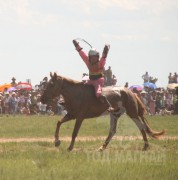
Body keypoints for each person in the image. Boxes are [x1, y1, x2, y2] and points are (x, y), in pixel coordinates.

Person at [73, 39, 115, 112]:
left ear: (97, 57)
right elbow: (82, 53)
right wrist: (77, 45)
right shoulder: (87, 61)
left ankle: (108, 106)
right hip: (90, 80)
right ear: (89, 57)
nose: (93, 58)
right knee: (80, 87)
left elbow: (103, 57)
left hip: (98, 81)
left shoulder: (100, 63)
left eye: (94, 57)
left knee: (98, 94)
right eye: (91, 57)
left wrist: (106, 50)